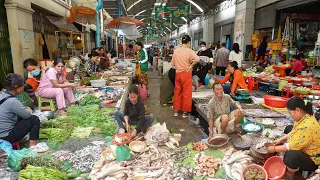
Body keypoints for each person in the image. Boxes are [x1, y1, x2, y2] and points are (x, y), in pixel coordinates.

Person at [267, 97, 320, 179]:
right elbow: (293, 131)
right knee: (289, 128)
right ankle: (290, 161)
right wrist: (280, 139)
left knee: (291, 155)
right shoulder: (304, 117)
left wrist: (274, 149)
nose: (290, 115)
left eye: (290, 113)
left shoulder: (307, 126)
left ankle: (290, 174)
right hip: (305, 145)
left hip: (312, 159)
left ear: (297, 110)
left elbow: (291, 146)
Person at [0, 74, 40, 147]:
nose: (23, 87)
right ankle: (33, 146)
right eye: (22, 85)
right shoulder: (12, 101)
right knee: (34, 119)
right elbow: (27, 115)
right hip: (6, 137)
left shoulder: (2, 95)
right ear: (16, 87)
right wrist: (28, 110)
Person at [171, 35, 200, 118]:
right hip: (186, 73)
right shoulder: (189, 51)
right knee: (186, 93)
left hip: (178, 74)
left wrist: (178, 67)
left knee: (177, 92)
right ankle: (184, 112)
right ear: (188, 42)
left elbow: (172, 64)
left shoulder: (176, 51)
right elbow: (197, 59)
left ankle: (176, 111)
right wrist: (191, 66)